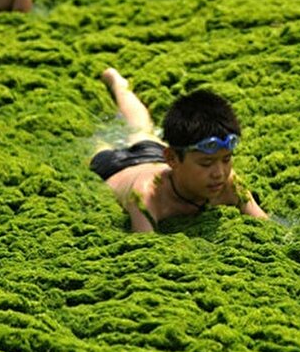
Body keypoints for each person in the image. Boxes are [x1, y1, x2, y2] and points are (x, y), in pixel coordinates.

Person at [90, 68, 268, 232]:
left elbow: (266, 226)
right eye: (206, 163)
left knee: (142, 130)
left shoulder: (229, 185)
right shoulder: (146, 197)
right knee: (99, 142)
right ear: (172, 159)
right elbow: (146, 246)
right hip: (113, 166)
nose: (219, 173)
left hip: (153, 155)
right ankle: (118, 84)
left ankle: (118, 85)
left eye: (226, 159)